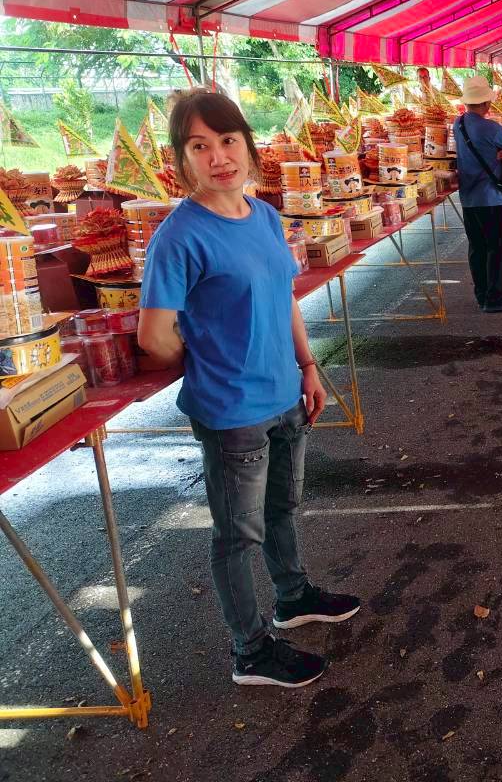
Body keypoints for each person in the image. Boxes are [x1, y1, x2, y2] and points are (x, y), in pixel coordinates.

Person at [138, 88, 360, 689]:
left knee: (282, 506)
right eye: (199, 146)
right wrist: (210, 360)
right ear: (182, 160)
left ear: (247, 145)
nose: (218, 157)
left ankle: (293, 597)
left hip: (285, 393)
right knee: (237, 535)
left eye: (228, 140)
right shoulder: (179, 237)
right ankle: (251, 651)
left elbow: (283, 296)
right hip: (232, 409)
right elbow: (154, 336)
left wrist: (307, 365)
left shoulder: (263, 215)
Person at [454, 75, 502, 313]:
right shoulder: (491, 128)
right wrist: (500, 153)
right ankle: (494, 299)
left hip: (468, 198)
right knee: (497, 248)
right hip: (490, 197)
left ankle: (481, 294)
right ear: (485, 103)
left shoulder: (458, 124)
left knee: (477, 248)